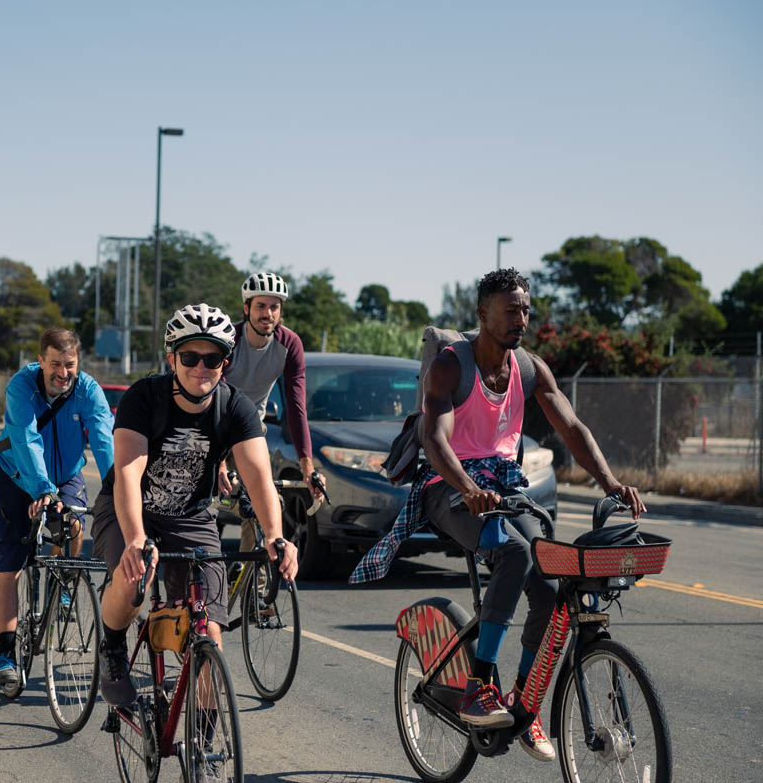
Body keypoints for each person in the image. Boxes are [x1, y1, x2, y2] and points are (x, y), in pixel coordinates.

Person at [350, 268, 645, 763]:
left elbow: (571, 426)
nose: (521, 318)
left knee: (553, 581)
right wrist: (468, 488)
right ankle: (478, 684)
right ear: (482, 313)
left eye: (526, 309)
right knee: (512, 553)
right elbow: (434, 439)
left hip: (504, 489)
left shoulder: (529, 369)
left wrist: (611, 482)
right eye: (511, 309)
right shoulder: (451, 366)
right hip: (449, 488)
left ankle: (525, 706)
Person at [92, 303, 298, 708]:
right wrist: (135, 540)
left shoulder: (234, 407)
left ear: (226, 362)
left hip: (192, 516)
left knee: (207, 631)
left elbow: (259, 478)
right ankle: (113, 647)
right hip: (131, 510)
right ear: (172, 358)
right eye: (189, 357)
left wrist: (276, 536)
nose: (201, 367)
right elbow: (129, 474)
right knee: (135, 578)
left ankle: (205, 744)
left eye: (213, 358)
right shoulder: (143, 398)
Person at [0, 328, 115, 690]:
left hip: (67, 474)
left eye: (69, 364)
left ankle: (64, 586)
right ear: (40, 360)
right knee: (11, 561)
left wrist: (116, 486)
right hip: (16, 475)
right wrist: (42, 488)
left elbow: (104, 438)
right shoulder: (21, 387)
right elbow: (26, 438)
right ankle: (6, 654)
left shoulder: (88, 390)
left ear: (79, 363)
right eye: (54, 363)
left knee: (74, 527)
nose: (62, 372)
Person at [219, 271, 323, 553]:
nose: (268, 313)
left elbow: (296, 407)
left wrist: (308, 467)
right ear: (246, 308)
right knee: (207, 499)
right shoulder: (228, 339)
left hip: (251, 428)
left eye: (274, 307)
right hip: (214, 423)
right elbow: (214, 398)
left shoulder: (289, 345)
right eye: (261, 306)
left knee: (266, 504)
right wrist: (219, 461)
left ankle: (252, 579)